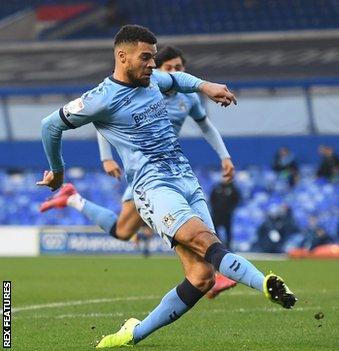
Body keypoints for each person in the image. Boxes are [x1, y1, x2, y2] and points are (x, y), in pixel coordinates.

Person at [36, 25, 296, 348]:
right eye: (145, 58)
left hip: (186, 179)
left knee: (202, 277)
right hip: (153, 188)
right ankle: (267, 284)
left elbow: (177, 80)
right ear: (122, 56)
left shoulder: (154, 79)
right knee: (203, 240)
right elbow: (50, 125)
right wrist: (57, 172)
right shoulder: (101, 98)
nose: (151, 64)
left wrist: (206, 86)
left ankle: (132, 334)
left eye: (153, 58)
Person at [39, 45, 237, 297]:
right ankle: (209, 274)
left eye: (179, 68)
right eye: (169, 68)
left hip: (170, 168)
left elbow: (206, 126)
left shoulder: (187, 98)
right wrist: (106, 158)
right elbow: (104, 119)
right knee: (137, 229)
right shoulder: (142, 91)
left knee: (124, 231)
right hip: (145, 173)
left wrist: (224, 156)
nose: (174, 72)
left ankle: (73, 198)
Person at [209, 179, 241, 249]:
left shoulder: (233, 188)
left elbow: (237, 200)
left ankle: (229, 247)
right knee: (214, 230)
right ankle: (217, 245)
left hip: (227, 215)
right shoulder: (217, 187)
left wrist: (230, 209)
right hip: (216, 214)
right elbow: (211, 199)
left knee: (228, 231)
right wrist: (215, 208)